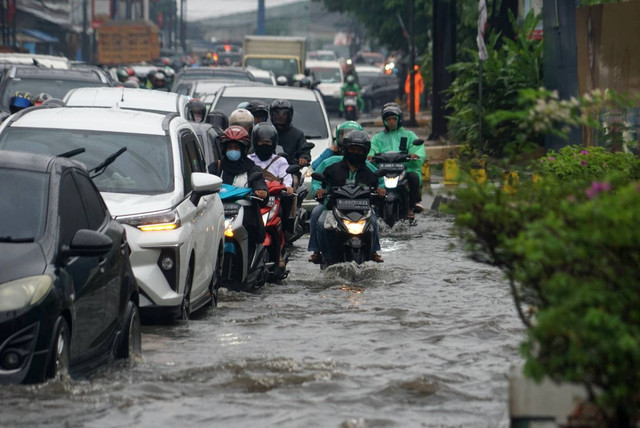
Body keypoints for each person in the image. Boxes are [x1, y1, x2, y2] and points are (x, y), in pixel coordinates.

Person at [312, 130, 385, 264]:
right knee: (320, 221)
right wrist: (318, 190)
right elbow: (316, 179)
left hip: (362, 208)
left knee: (373, 221)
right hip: (332, 207)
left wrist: (381, 190)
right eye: (352, 149)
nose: (355, 153)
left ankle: (373, 250)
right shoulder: (331, 164)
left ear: (365, 151)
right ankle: (320, 253)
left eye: (359, 150)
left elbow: (380, 183)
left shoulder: (370, 169)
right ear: (345, 149)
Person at [208, 125, 268, 258]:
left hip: (244, 215)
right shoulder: (216, 168)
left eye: (236, 148)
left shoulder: (253, 169)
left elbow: (259, 182)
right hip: (219, 213)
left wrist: (261, 190)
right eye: (230, 148)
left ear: (243, 149)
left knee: (251, 228)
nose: (233, 151)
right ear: (224, 149)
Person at [369, 102, 426, 220]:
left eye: (394, 119)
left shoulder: (409, 135)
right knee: (369, 179)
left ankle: (412, 205)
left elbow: (418, 148)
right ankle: (371, 203)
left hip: (403, 168)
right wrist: (370, 155)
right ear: (384, 121)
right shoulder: (378, 137)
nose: (391, 122)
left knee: (414, 177)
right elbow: (372, 148)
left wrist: (415, 155)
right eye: (388, 119)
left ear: (399, 119)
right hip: (383, 170)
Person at [247, 123, 293, 268]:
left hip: (274, 199)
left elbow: (287, 178)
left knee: (281, 214)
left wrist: (288, 187)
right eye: (261, 142)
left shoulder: (280, 161)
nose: (264, 145)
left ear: (274, 143)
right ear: (255, 142)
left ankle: (279, 250)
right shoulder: (249, 160)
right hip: (253, 200)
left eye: (268, 142)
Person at [269, 99, 310, 166]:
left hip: (290, 169)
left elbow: (304, 150)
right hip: (268, 169)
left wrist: (303, 157)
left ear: (289, 116)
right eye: (277, 114)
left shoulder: (297, 134)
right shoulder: (267, 132)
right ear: (271, 115)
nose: (280, 117)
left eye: (284, 114)